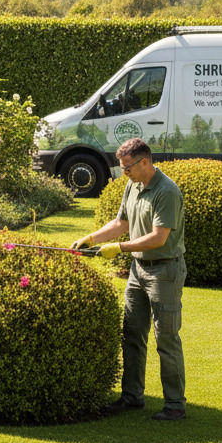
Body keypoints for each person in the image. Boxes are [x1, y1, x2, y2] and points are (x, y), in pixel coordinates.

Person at [70, 137, 187, 421]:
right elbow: (121, 223)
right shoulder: (133, 185)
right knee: (132, 334)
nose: (124, 172)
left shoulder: (167, 191)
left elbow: (159, 238)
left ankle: (174, 405)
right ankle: (132, 397)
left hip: (165, 271)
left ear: (144, 162)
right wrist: (90, 239)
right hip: (138, 271)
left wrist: (119, 248)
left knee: (166, 338)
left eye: (128, 167)